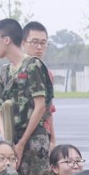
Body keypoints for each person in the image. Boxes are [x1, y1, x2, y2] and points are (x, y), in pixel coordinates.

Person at [0, 18, 53, 175]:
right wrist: (7, 142)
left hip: (33, 139)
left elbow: (41, 107)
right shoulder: (5, 71)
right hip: (12, 140)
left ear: (6, 40)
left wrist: (22, 143)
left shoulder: (33, 66)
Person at [21, 21, 57, 151]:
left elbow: (48, 109)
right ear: (23, 43)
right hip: (17, 135)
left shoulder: (47, 74)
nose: (39, 47)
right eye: (35, 42)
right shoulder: (12, 72)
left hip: (39, 137)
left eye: (43, 43)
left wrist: (53, 140)